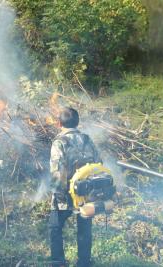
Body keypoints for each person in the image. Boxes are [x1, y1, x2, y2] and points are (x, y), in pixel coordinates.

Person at [49, 107, 101, 267]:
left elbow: (57, 172)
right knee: (85, 228)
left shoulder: (59, 142)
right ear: (77, 123)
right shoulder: (87, 139)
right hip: (86, 193)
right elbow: (99, 164)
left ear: (59, 123)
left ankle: (58, 263)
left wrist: (58, 197)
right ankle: (84, 262)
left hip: (65, 194)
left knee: (54, 227)